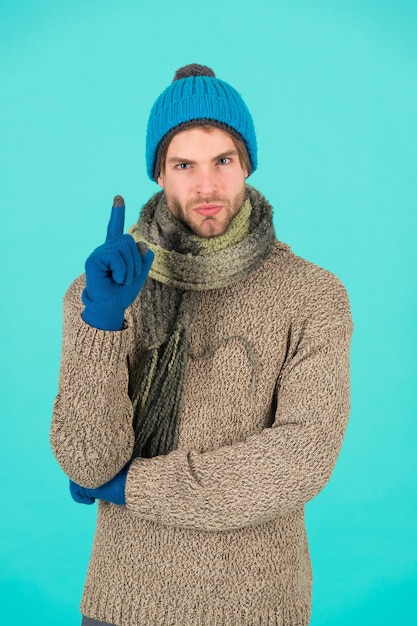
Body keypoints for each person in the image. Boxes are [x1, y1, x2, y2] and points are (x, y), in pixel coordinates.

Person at [50, 63, 353, 626]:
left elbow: (299, 460)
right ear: (159, 174)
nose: (206, 186)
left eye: (223, 161)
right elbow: (88, 462)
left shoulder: (313, 294)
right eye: (184, 164)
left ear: (247, 166)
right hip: (125, 602)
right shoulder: (106, 288)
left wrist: (135, 487)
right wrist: (101, 323)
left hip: (260, 606)